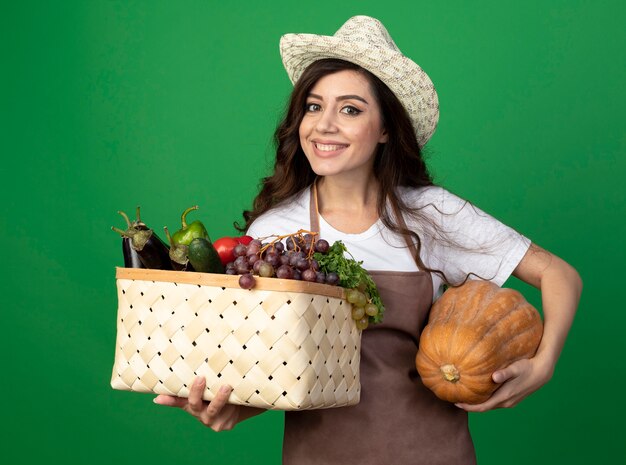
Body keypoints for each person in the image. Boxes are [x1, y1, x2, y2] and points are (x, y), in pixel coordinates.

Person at [154, 15, 582, 464]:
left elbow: (559, 275)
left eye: (351, 109)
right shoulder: (273, 233)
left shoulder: (433, 214)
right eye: (314, 107)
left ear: (385, 130)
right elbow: (273, 371)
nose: (324, 125)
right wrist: (231, 409)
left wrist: (543, 364)